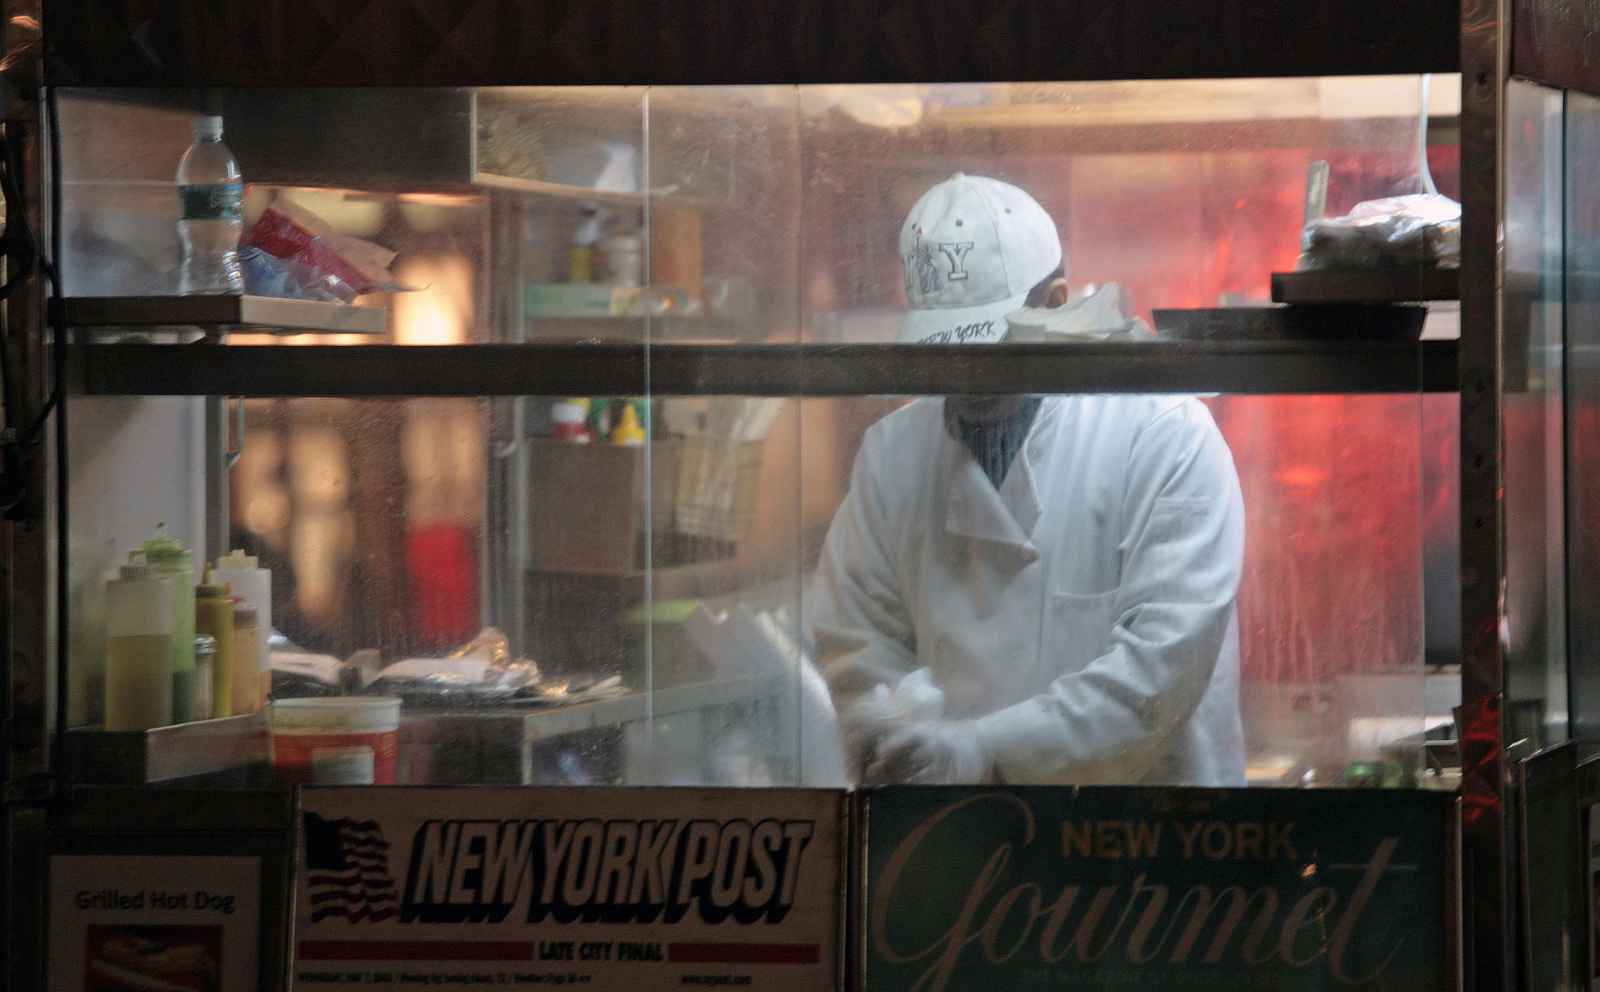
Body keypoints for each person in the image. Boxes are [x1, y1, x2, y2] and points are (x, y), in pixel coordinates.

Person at [809, 173, 1246, 787]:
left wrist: (976, 754)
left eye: (990, 346)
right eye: (946, 352)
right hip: (963, 849)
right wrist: (902, 738)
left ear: (1058, 302)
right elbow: (855, 644)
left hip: (1146, 851)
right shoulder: (892, 456)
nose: (964, 376)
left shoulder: (1164, 434)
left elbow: (1159, 673)